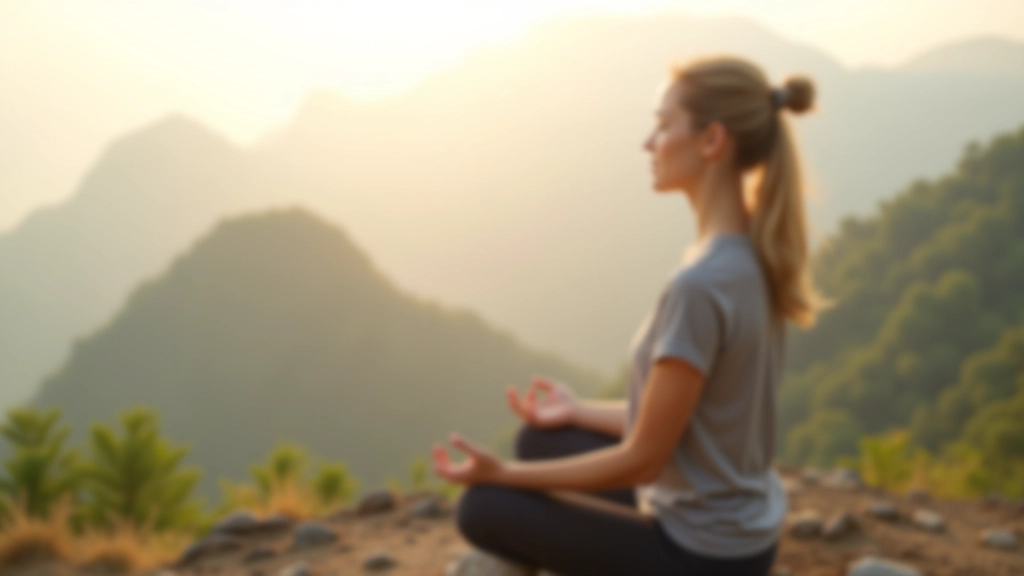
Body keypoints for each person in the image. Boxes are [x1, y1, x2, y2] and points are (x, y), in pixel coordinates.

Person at [431, 54, 830, 576]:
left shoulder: (700, 285)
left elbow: (645, 459)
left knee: (484, 507)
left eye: (664, 125)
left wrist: (502, 475)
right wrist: (576, 412)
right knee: (542, 439)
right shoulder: (752, 255)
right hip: (742, 541)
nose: (649, 142)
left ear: (712, 141)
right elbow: (683, 418)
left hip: (700, 558)